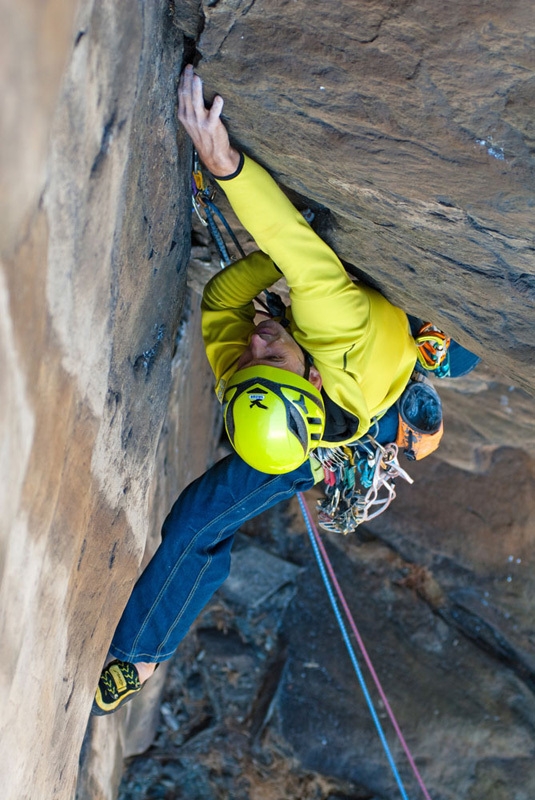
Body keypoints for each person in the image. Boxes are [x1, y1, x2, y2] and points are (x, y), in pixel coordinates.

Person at [91, 65, 475, 715]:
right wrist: (224, 163)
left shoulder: (250, 376)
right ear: (310, 374)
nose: (256, 341)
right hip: (326, 410)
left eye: (254, 354)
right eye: (266, 352)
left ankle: (419, 375)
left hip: (293, 424)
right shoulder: (334, 331)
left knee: (190, 515)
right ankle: (143, 651)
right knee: (197, 522)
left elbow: (224, 299)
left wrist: (261, 287)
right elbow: (295, 247)